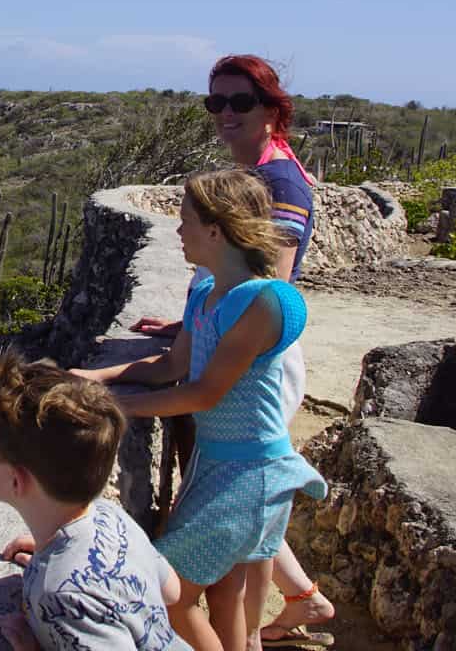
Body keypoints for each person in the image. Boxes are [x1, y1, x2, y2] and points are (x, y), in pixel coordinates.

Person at [129, 55, 333, 647]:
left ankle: (294, 603)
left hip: (252, 374)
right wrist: (193, 321)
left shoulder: (281, 183)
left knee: (210, 564)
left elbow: (271, 282)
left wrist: (205, 325)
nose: (224, 114)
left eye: (239, 102)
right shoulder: (263, 171)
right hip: (236, 379)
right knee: (241, 559)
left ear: (272, 110)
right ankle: (285, 610)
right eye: (215, 102)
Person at [75, 170, 327, 651]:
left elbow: (205, 393)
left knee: (166, 593)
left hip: (250, 472)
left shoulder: (266, 301)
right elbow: (173, 364)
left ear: (216, 230)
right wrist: (99, 377)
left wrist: (119, 408)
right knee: (223, 590)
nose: (177, 230)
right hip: (216, 464)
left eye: (185, 220)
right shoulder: (205, 296)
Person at [0, 350, 191, 651]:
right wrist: (53, 551)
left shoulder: (60, 594)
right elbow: (171, 590)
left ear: (17, 480)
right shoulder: (110, 517)